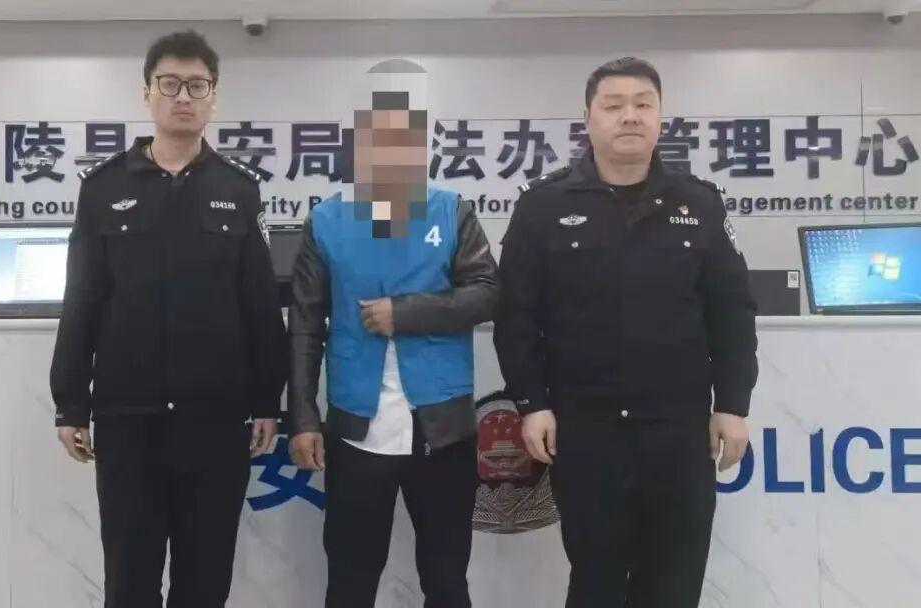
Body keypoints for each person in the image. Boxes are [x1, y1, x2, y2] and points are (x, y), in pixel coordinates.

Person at [493, 56, 758, 608]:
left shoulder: (700, 202)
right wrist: (531, 403)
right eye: (613, 106)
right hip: (585, 430)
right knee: (597, 578)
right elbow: (516, 315)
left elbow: (732, 311)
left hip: (678, 430)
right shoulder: (543, 206)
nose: (630, 116)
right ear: (588, 119)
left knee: (675, 580)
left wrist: (733, 404)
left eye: (643, 104)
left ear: (661, 117)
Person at [49, 30, 288, 608]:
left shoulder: (238, 189)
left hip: (216, 418)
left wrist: (267, 400)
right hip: (128, 418)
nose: (184, 96)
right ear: (147, 94)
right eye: (171, 84)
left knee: (204, 579)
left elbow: (259, 304)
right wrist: (70, 402)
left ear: (213, 98)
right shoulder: (104, 188)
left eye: (197, 86)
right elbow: (82, 299)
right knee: (129, 579)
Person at [287, 58, 498, 608]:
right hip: (357, 432)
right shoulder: (327, 221)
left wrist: (406, 313)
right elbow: (304, 325)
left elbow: (488, 292)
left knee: (446, 583)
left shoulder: (451, 211)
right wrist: (303, 417)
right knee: (350, 583)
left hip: (442, 431)